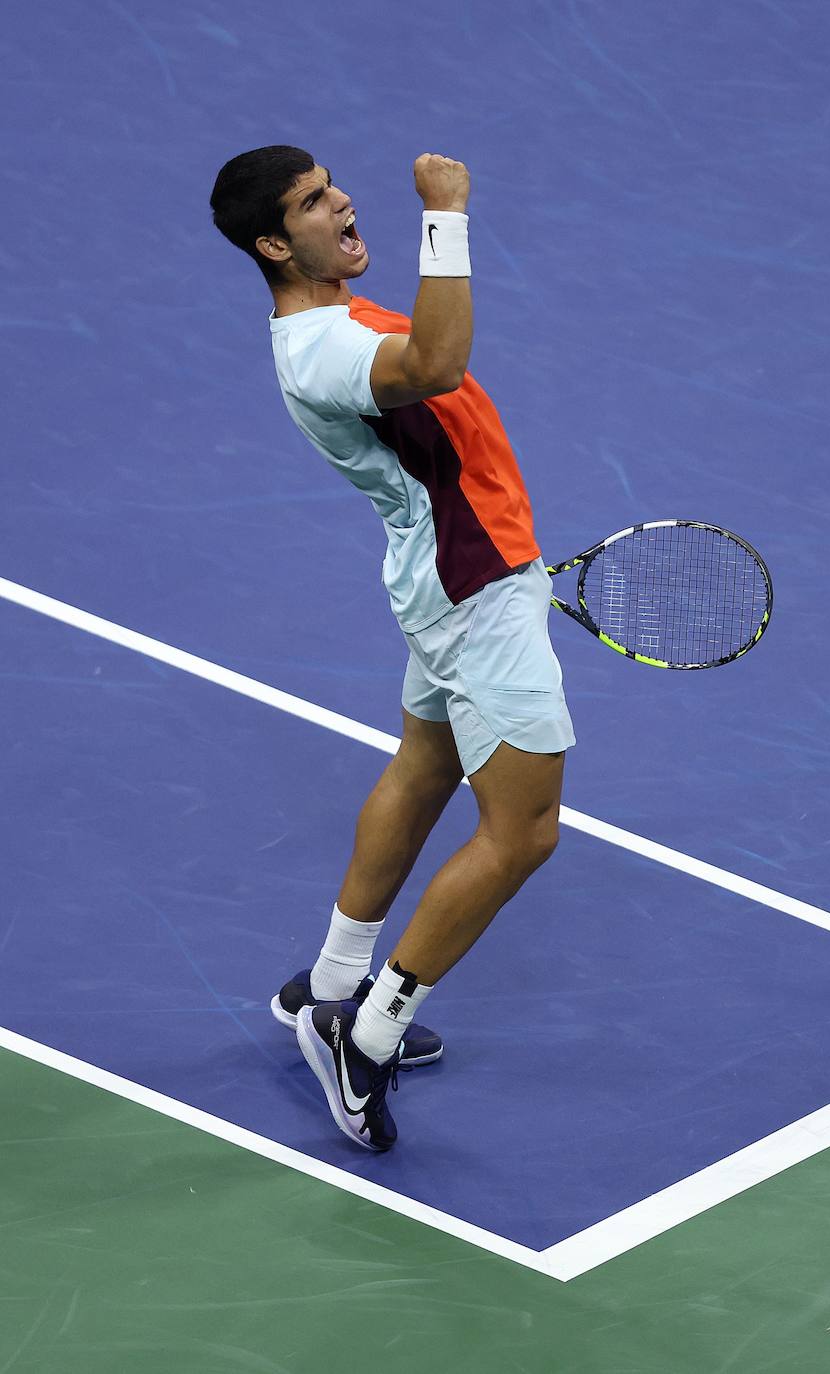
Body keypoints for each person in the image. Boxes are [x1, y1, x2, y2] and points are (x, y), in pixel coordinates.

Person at [209, 146, 575, 1151]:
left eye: (333, 187)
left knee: (425, 765)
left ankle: (325, 985)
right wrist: (445, 216)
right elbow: (439, 366)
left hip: (445, 572)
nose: (343, 204)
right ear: (275, 244)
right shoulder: (323, 348)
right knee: (524, 834)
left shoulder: (318, 324)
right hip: (475, 594)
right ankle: (365, 1035)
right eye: (316, 204)